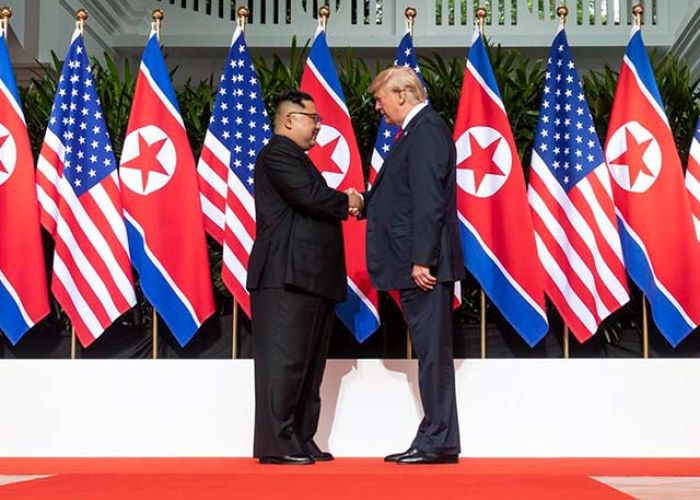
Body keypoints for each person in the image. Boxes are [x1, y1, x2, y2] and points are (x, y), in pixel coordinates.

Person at [349, 66, 465, 464]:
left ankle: (438, 441)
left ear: (403, 95)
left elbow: (430, 201)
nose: (378, 106)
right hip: (417, 262)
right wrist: (363, 202)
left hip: (424, 266)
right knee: (431, 353)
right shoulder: (416, 133)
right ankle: (437, 437)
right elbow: (402, 196)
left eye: (381, 98)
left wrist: (422, 259)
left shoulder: (427, 131)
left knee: (434, 353)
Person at [247, 89, 363, 465]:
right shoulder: (278, 153)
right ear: (288, 120)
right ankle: (277, 444)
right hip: (285, 276)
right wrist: (350, 201)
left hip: (310, 276)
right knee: (285, 363)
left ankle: (300, 437)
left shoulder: (295, 157)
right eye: (312, 118)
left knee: (309, 366)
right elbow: (309, 196)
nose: (317, 126)